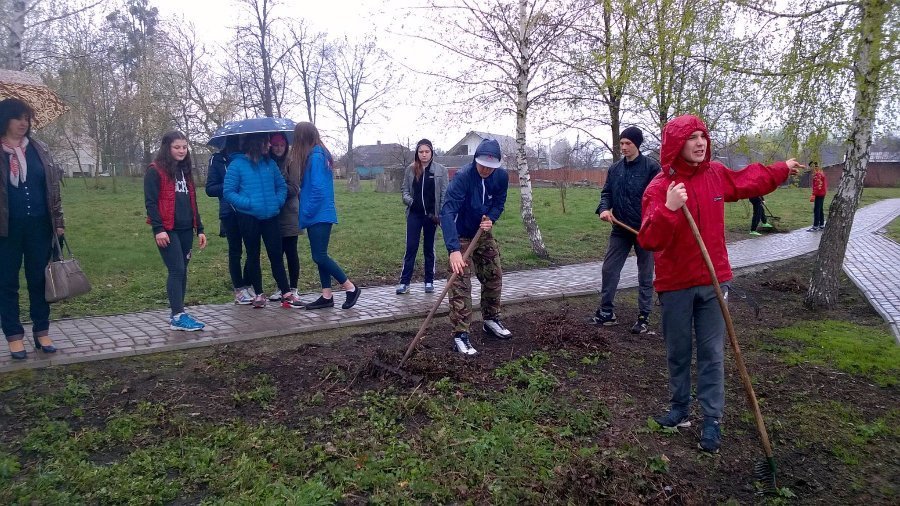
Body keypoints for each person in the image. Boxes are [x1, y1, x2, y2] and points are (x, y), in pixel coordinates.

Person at [637, 115, 801, 453]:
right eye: (692, 137)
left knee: (712, 352)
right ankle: (679, 409)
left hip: (714, 282)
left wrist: (781, 169)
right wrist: (670, 208)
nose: (700, 143)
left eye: (703, 136)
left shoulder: (714, 175)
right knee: (678, 351)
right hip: (675, 284)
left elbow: (747, 180)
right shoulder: (659, 188)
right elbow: (649, 239)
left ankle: (712, 419)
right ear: (676, 144)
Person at [0, 98, 65, 359]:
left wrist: (58, 223)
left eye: (27, 118)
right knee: (7, 283)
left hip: (39, 226)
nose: (23, 123)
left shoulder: (39, 149)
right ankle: (14, 336)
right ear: (5, 119)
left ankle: (42, 331)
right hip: (6, 230)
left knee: (39, 280)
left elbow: (52, 188)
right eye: (18, 118)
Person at [440, 138, 510, 355]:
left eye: (490, 167)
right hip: (460, 234)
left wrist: (491, 218)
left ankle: (491, 319)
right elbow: (447, 212)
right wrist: (453, 250)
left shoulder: (501, 177)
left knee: (493, 275)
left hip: (482, 232)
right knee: (460, 282)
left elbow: (499, 202)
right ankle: (460, 334)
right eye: (482, 165)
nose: (486, 170)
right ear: (475, 160)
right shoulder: (463, 177)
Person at [287, 122, 361, 310]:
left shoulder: (316, 157)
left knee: (319, 256)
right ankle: (327, 296)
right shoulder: (316, 155)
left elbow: (318, 189)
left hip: (318, 213)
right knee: (320, 255)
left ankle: (350, 288)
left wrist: (306, 210)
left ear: (302, 138)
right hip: (318, 213)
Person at [593, 126, 660, 334]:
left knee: (645, 274)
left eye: (628, 143)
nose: (623, 147)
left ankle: (643, 316)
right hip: (620, 229)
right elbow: (607, 193)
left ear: (637, 144)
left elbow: (658, 197)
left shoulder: (651, 167)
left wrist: (652, 222)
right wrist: (604, 209)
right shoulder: (615, 169)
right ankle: (606, 312)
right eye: (621, 143)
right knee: (609, 269)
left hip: (645, 231)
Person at [144, 131, 208, 331]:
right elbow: (151, 203)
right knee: (176, 269)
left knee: (183, 270)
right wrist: (158, 229)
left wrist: (200, 229)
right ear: (167, 148)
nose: (181, 151)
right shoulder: (155, 170)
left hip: (186, 228)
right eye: (176, 147)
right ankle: (178, 316)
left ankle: (178, 313)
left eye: (184, 147)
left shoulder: (185, 170)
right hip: (167, 229)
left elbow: (192, 201)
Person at [223, 133, 295, 308]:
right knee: (253, 255)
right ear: (256, 143)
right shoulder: (237, 165)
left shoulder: (270, 164)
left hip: (271, 216)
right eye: (266, 142)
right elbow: (229, 192)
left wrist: (277, 202)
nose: (269, 146)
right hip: (248, 217)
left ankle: (286, 292)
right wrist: (249, 204)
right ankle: (259, 294)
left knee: (276, 255)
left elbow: (281, 186)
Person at [396, 138, 448, 295]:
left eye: (427, 151)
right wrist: (412, 202)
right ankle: (404, 282)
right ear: (417, 153)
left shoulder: (441, 170)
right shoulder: (410, 169)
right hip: (414, 215)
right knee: (411, 247)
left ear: (432, 152)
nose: (424, 154)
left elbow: (444, 194)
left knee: (429, 248)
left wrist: (441, 215)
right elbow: (404, 191)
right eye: (421, 152)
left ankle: (429, 281)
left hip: (431, 216)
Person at [205, 135, 253, 304]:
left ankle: (248, 283)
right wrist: (231, 184)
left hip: (248, 208)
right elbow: (210, 188)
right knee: (235, 250)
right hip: (229, 211)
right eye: (237, 142)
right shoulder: (217, 160)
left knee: (252, 249)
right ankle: (239, 289)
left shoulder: (249, 157)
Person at [266, 132, 302, 302]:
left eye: (282, 145)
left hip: (289, 212)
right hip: (272, 213)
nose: (279, 148)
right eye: (275, 145)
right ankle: (282, 287)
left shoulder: (291, 162)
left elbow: (295, 187)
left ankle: (293, 287)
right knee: (276, 253)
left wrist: (276, 189)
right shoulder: (267, 161)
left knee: (291, 251)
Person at [808, 161, 827, 231]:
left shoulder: (818, 175)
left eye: (811, 167)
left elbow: (817, 186)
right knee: (820, 209)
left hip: (819, 194)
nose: (811, 169)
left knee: (816, 210)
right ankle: (821, 225)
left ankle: (815, 226)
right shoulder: (820, 173)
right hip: (822, 193)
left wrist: (813, 195)